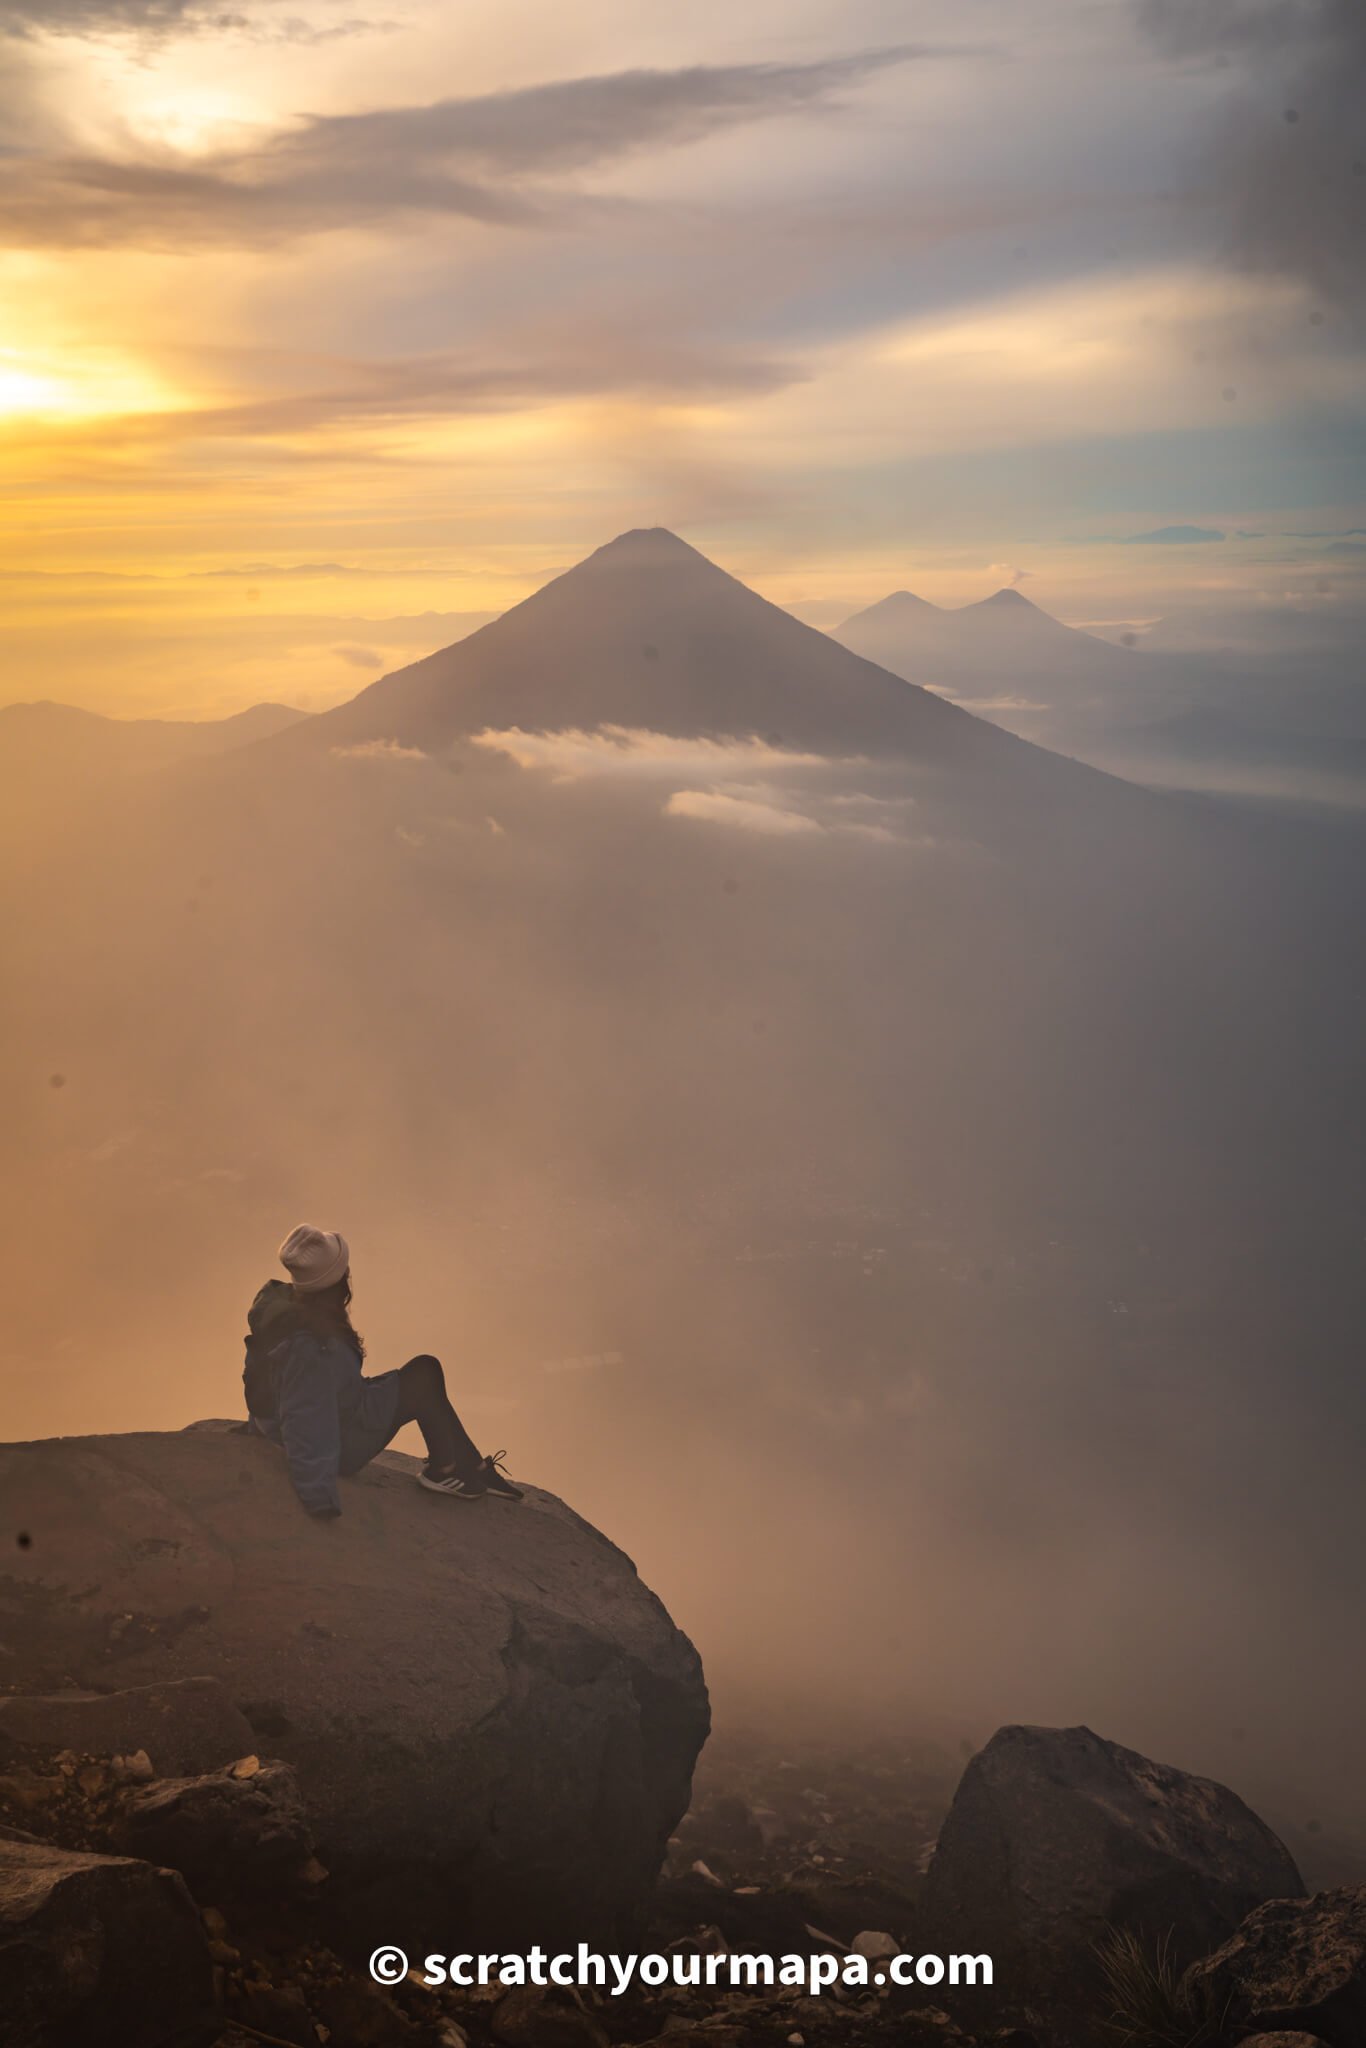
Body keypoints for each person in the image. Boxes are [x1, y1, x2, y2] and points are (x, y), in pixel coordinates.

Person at [243, 1224, 522, 1517]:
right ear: (337, 1281)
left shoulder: (283, 1307)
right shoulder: (312, 1348)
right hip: (342, 1442)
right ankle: (444, 1471)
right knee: (423, 1379)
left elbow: (265, 1376)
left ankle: (472, 1466)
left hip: (342, 1409)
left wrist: (258, 1425)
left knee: (425, 1370)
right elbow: (306, 1417)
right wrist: (319, 1498)